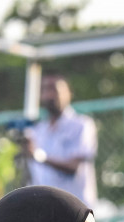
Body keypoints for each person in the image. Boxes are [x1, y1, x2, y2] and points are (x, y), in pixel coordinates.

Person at [20, 74, 97, 208]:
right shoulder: (37, 131)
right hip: (43, 210)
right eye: (44, 90)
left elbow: (73, 167)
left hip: (76, 210)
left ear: (69, 93)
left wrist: (38, 155)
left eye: (54, 89)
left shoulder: (82, 125)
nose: (49, 95)